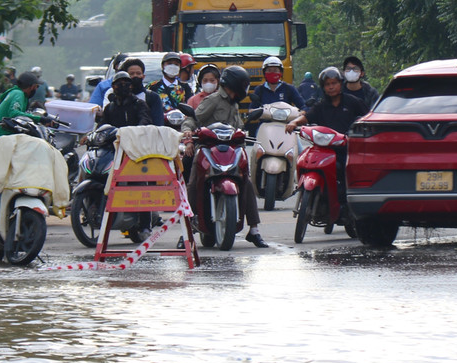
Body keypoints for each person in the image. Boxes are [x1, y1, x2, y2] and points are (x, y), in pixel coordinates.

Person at [181, 65, 268, 247]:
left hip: (231, 151)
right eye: (244, 85)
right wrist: (188, 133)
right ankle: (186, 232)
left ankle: (254, 230)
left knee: (246, 183)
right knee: (194, 183)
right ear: (236, 84)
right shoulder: (213, 100)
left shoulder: (234, 104)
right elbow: (193, 119)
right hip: (207, 149)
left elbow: (239, 127)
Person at [286, 67, 370, 208]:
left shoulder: (352, 102)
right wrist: (294, 123)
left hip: (346, 150)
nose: (331, 87)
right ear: (323, 87)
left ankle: (346, 203)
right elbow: (307, 117)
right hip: (324, 150)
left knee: (348, 171)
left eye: (334, 83)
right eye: (327, 84)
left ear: (340, 84)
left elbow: (368, 117)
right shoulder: (321, 106)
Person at [0, 71, 41, 146]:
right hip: (3, 136)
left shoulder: (15, 92)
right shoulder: (19, 94)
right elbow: (14, 113)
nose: (36, 89)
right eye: (36, 86)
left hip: (1, 136)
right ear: (32, 86)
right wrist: (39, 119)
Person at [148, 51, 194, 118]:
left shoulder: (185, 87)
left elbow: (190, 106)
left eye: (176, 64)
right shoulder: (153, 86)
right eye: (169, 63)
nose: (173, 66)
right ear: (163, 66)